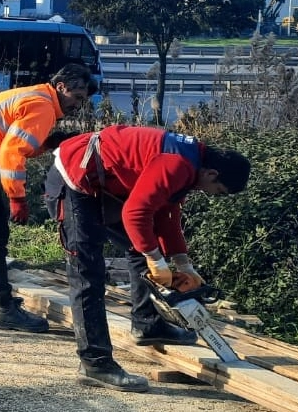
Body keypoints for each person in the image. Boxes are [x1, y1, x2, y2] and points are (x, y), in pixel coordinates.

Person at [46, 126, 251, 392]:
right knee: (87, 270)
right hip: (74, 177)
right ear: (212, 174)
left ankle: (147, 324)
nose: (213, 195)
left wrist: (183, 264)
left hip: (106, 180)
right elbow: (135, 213)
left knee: (143, 247)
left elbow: (166, 216)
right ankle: (95, 363)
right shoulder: (178, 164)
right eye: (218, 191)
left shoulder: (190, 164)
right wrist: (156, 259)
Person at [0, 63, 97, 331]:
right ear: (61, 87)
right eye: (77, 97)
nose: (78, 105)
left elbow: (18, 144)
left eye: (82, 100)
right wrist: (17, 198)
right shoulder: (43, 107)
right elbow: (11, 152)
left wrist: (49, 143)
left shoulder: (39, 95)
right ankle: (3, 308)